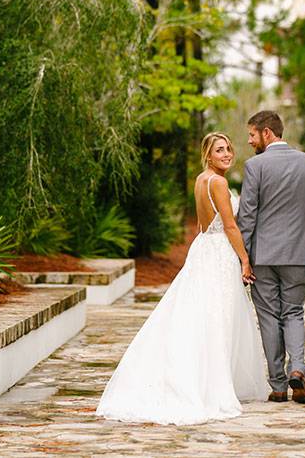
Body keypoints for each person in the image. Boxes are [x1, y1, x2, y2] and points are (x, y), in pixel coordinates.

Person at [96, 132, 268, 425]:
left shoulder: (201, 181)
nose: (227, 154)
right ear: (208, 155)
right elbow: (229, 226)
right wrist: (245, 259)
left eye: (229, 148)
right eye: (219, 150)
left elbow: (204, 223)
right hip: (220, 252)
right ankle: (209, 385)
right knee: (218, 317)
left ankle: (199, 375)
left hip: (202, 248)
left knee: (198, 313)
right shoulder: (220, 182)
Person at [238, 111, 305, 404]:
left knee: (268, 317)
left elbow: (247, 215)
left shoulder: (254, 167)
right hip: (297, 253)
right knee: (294, 312)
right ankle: (297, 369)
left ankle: (278, 386)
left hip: (262, 256)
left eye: (252, 134)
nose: (250, 141)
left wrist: (244, 257)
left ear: (267, 133)